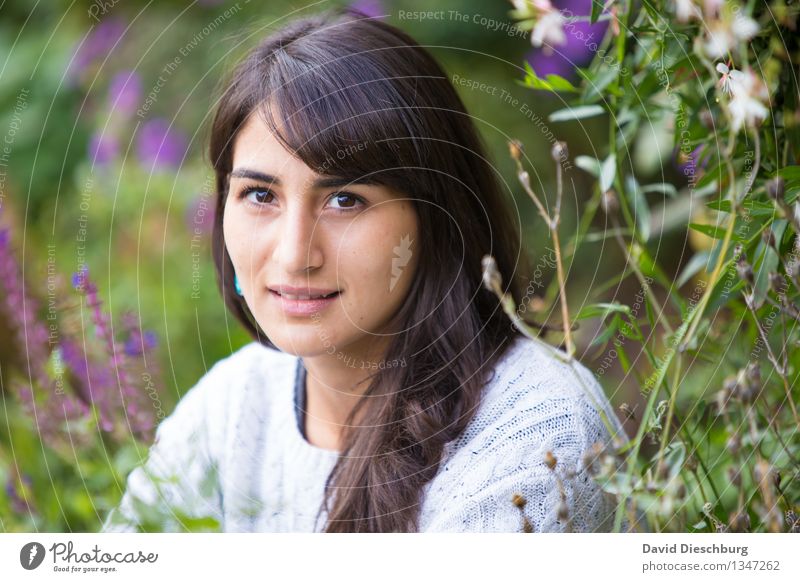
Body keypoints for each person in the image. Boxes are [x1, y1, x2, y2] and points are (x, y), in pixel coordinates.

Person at [102, 7, 626, 533]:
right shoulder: (234, 407)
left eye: (346, 200)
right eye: (260, 194)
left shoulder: (535, 436)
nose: (293, 254)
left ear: (435, 217)